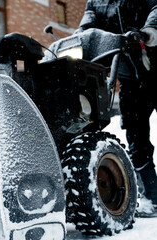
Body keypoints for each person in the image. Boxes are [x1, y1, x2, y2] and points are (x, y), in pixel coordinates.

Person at [75, 0, 157, 216]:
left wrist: (149, 31)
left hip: (153, 64)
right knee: (136, 134)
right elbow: (87, 29)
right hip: (129, 77)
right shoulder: (95, 2)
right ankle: (152, 196)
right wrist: (77, 40)